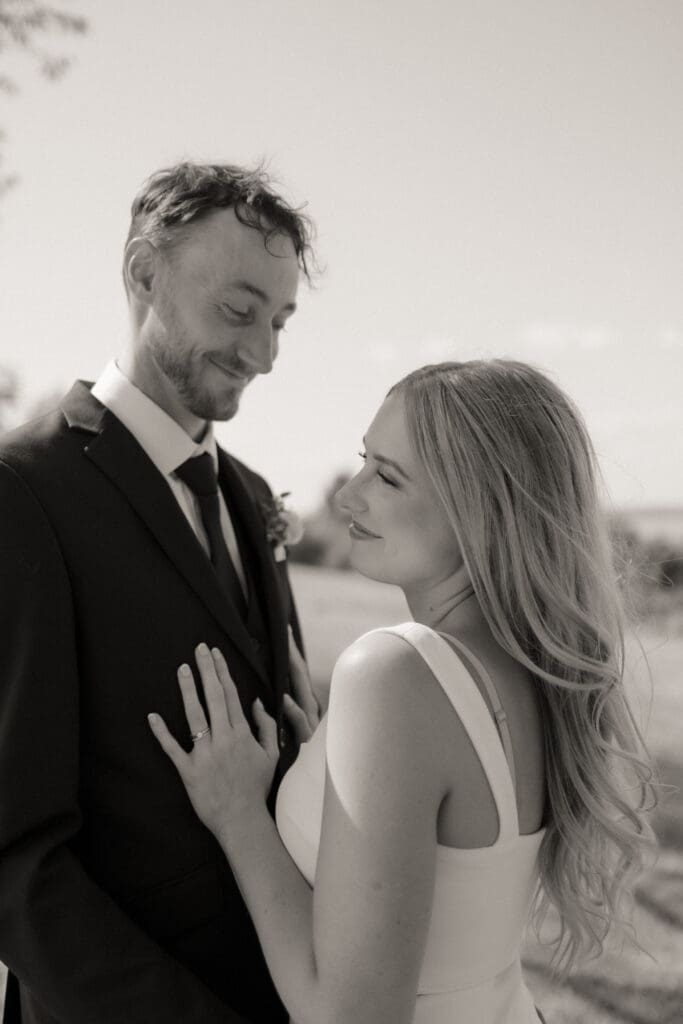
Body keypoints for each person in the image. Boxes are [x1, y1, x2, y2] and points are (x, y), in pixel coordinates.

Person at [151, 359, 658, 1024]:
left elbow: (347, 1015)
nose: (347, 496)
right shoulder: (537, 672)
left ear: (480, 511)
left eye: (387, 477)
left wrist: (238, 813)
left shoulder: (396, 672)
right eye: (365, 461)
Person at [0, 161, 314, 1023]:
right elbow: (16, 858)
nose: (264, 355)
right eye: (239, 311)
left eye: (279, 322)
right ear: (144, 273)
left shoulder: (251, 495)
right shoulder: (22, 491)